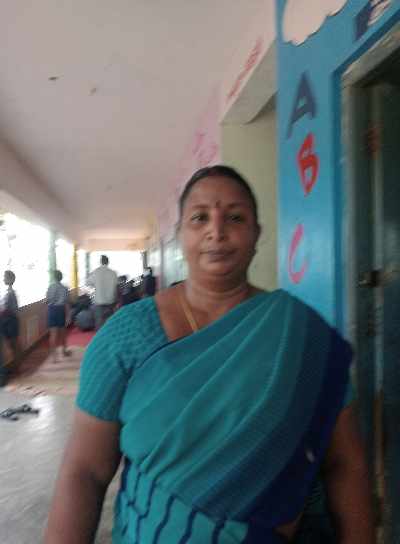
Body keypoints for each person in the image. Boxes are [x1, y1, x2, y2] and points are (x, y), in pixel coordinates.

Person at [45, 165, 374, 544]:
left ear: (257, 234)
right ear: (180, 235)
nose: (216, 231)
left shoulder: (302, 336)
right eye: (200, 218)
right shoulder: (126, 336)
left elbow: (345, 464)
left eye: (235, 217)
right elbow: (85, 471)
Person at [46, 270, 71, 364]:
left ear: (54, 277)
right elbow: (67, 303)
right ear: (61, 277)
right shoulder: (64, 288)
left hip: (52, 310)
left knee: (53, 334)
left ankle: (54, 357)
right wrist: (68, 316)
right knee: (63, 332)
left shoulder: (50, 287)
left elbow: (47, 300)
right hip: (61, 310)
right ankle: (64, 351)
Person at [87, 255, 118, 329]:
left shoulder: (95, 272)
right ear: (108, 262)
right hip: (110, 302)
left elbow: (88, 283)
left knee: (99, 324)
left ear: (100, 262)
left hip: (99, 302)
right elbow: (116, 287)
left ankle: (100, 335)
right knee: (109, 323)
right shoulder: (113, 273)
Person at [0, 270, 21, 372]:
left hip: (10, 321)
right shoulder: (9, 292)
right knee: (12, 344)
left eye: (4, 277)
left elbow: (6, 309)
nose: (3, 279)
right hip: (10, 320)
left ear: (9, 279)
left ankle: (17, 366)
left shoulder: (10, 293)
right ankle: (16, 365)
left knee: (13, 344)